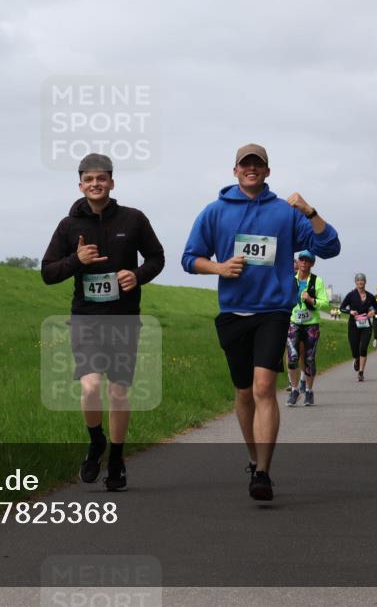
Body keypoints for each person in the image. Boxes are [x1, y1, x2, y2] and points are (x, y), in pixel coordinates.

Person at [182, 142, 340, 501]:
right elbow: (190, 258)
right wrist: (219, 267)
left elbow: (329, 247)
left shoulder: (285, 213)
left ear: (267, 172)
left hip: (273, 312)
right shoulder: (214, 212)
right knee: (243, 393)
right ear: (235, 171)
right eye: (245, 164)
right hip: (232, 313)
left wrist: (310, 210)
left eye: (258, 165)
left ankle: (264, 473)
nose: (251, 169)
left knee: (264, 388)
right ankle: (254, 459)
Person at [42, 153, 165, 492]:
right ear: (80, 184)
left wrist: (137, 276)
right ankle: (96, 441)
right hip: (86, 319)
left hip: (125, 318)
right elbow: (48, 273)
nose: (95, 184)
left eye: (101, 178)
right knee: (92, 386)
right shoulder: (69, 227)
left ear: (112, 182)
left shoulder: (134, 219)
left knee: (119, 392)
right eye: (88, 179)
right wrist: (76, 260)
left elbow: (157, 257)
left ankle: (117, 459)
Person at [285, 250, 329, 407]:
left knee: (309, 359)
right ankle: (295, 390)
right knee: (292, 357)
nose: (304, 263)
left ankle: (309, 392)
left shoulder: (317, 281)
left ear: (312, 263)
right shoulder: (291, 280)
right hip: (293, 322)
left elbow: (325, 303)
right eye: (301, 259)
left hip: (311, 324)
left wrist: (311, 299)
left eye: (307, 260)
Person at [340, 274, 377, 382]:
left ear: (365, 282)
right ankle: (356, 359)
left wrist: (373, 312)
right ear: (355, 282)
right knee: (354, 349)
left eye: (362, 280)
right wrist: (350, 311)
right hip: (353, 325)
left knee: (363, 348)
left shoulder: (370, 296)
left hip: (366, 325)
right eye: (358, 280)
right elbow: (341, 308)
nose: (360, 282)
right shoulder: (351, 295)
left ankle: (361, 373)